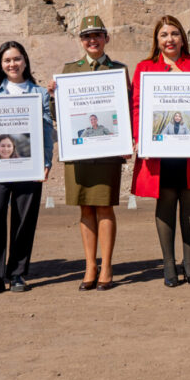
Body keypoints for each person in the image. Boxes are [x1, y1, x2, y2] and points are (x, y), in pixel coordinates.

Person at [132, 16, 190, 287]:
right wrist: (141, 139)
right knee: (166, 202)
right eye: (163, 35)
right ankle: (169, 265)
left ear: (183, 37)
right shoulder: (145, 68)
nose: (169, 39)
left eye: (174, 34)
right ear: (156, 41)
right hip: (161, 149)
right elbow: (137, 106)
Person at [46, 15, 128, 291]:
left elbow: (126, 111)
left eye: (97, 36)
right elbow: (60, 116)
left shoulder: (119, 70)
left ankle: (106, 266)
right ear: (81, 41)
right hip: (79, 154)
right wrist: (53, 97)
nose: (92, 41)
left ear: (106, 38)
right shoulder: (69, 71)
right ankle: (89, 265)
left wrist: (126, 142)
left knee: (104, 207)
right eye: (86, 37)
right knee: (85, 209)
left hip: (107, 152)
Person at [0, 41, 55, 296]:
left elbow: (46, 130)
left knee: (24, 219)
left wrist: (46, 162)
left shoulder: (39, 93)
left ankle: (17, 273)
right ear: (0, 64)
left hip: (28, 165)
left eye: (17, 59)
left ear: (25, 61)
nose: (12, 64)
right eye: (7, 60)